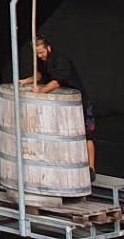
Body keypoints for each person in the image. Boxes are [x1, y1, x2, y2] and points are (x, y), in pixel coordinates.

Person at [21, 36, 95, 174]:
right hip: (61, 105)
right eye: (37, 54)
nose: (40, 56)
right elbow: (40, 75)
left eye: (41, 52)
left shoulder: (61, 60)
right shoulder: (41, 60)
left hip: (78, 102)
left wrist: (40, 92)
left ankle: (91, 168)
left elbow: (57, 82)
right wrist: (27, 80)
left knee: (86, 135)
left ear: (48, 48)